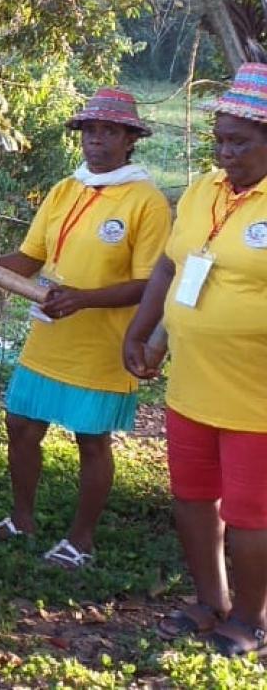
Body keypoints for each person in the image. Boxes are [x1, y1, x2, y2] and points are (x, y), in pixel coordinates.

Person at [0, 89, 170, 569]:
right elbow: (31, 257)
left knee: (91, 438)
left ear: (130, 140)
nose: (96, 141)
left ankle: (80, 539)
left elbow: (150, 282)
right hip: (50, 335)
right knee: (20, 425)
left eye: (108, 132)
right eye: (89, 131)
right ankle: (22, 519)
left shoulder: (147, 202)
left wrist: (83, 299)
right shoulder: (66, 189)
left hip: (105, 344)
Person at [125, 63, 267, 657]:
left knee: (251, 513)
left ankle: (253, 619)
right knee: (191, 494)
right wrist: (143, 333)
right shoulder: (204, 190)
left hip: (256, 396)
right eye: (221, 140)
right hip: (190, 385)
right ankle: (211, 602)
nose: (227, 152)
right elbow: (170, 265)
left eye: (242, 142)